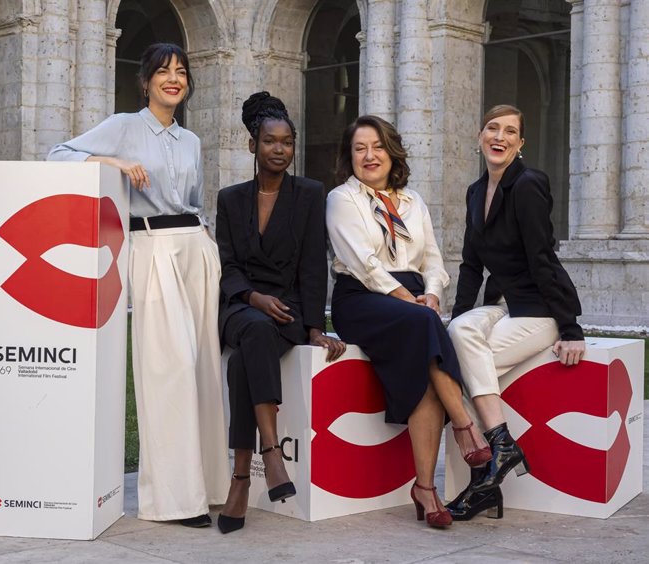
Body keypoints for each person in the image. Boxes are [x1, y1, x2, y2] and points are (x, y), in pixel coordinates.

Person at [48, 43, 230, 527]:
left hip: (196, 248)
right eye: (164, 71)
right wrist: (114, 166)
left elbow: (191, 199)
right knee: (167, 369)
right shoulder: (124, 127)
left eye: (182, 72)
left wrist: (206, 241)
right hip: (150, 249)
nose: (174, 79)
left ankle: (209, 486)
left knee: (205, 370)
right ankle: (173, 499)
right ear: (146, 80)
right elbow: (57, 155)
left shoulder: (191, 140)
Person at [326, 115, 491, 530]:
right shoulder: (342, 199)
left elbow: (433, 258)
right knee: (426, 328)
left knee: (426, 366)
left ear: (391, 151)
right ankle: (466, 426)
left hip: (414, 300)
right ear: (350, 156)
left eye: (377, 146)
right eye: (360, 148)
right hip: (363, 298)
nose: (369, 155)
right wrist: (412, 302)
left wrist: (432, 294)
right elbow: (364, 265)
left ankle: (425, 489)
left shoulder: (414, 201)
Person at [445, 104, 585, 521]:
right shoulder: (475, 192)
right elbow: (471, 265)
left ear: (520, 144)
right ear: (480, 136)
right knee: (460, 331)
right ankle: (502, 446)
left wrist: (570, 327)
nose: (499, 137)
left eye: (509, 131)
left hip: (540, 309)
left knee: (466, 370)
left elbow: (542, 257)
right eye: (492, 128)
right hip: (503, 305)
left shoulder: (528, 185)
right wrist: (456, 317)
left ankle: (487, 479)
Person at [215, 92, 346, 534]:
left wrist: (313, 327)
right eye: (270, 141)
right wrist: (253, 298)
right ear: (253, 145)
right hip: (241, 305)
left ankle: (239, 480)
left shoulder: (310, 194)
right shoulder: (230, 199)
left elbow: (313, 263)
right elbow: (228, 266)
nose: (279, 149)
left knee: (241, 368)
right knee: (252, 330)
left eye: (287, 142)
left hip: (287, 312)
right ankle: (271, 453)